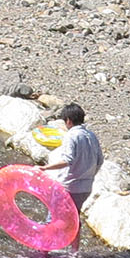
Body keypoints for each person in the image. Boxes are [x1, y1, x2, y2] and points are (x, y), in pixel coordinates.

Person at [45, 103, 104, 244]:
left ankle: (44, 250)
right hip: (86, 188)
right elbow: (100, 160)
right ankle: (74, 252)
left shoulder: (71, 135)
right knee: (74, 219)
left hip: (69, 187)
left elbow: (67, 160)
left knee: (53, 218)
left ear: (68, 121)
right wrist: (89, 175)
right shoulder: (91, 135)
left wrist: (45, 168)